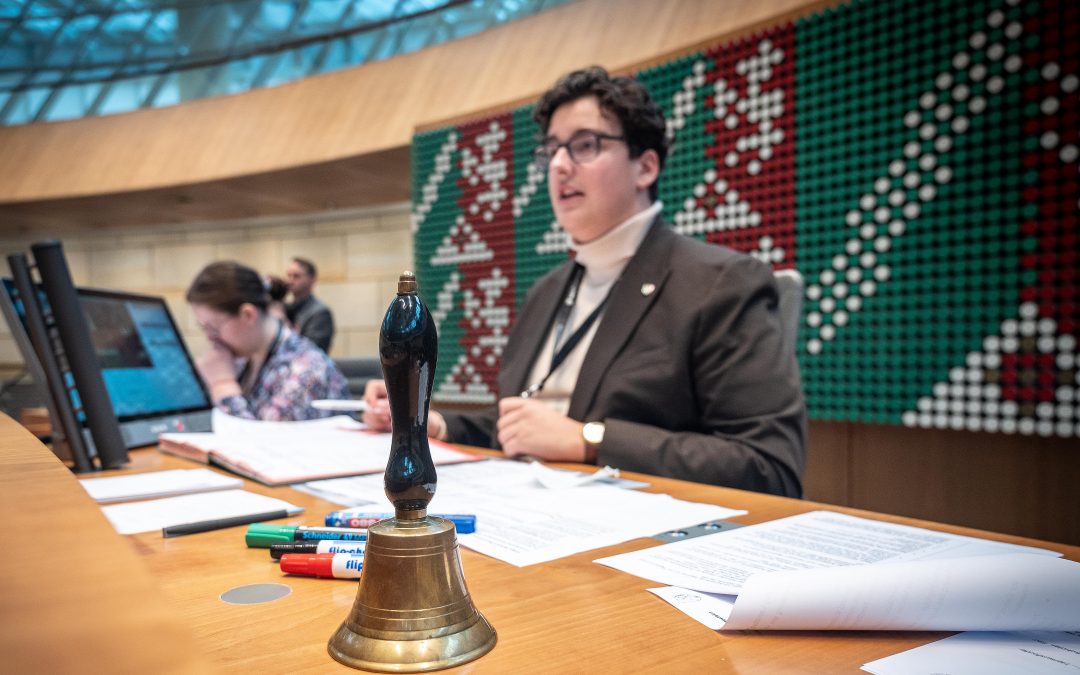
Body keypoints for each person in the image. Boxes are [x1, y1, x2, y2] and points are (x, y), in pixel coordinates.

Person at [365, 66, 807, 497]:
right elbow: (527, 424)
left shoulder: (721, 282)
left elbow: (768, 466)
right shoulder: (548, 290)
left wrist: (590, 441)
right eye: (552, 149)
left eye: (585, 145)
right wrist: (429, 422)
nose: (558, 164)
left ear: (646, 167)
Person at [187, 261, 350, 421]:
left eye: (213, 327)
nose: (210, 338)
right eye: (204, 328)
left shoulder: (306, 370)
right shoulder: (242, 359)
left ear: (247, 315)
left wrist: (222, 384)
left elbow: (257, 444)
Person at [285, 257, 335, 353]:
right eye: (288, 276)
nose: (290, 281)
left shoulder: (320, 313)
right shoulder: (285, 309)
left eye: (296, 276)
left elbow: (312, 352)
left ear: (312, 279)